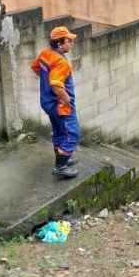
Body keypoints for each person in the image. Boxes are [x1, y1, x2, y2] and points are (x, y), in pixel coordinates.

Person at [31, 26, 80, 179]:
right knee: (73, 133)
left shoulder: (46, 54)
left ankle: (62, 158)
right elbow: (56, 84)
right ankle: (61, 166)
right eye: (68, 40)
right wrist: (66, 100)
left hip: (47, 102)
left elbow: (35, 67)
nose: (71, 43)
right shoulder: (61, 62)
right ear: (59, 43)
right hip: (60, 105)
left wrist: (45, 80)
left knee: (59, 131)